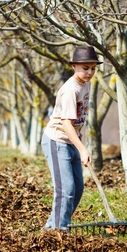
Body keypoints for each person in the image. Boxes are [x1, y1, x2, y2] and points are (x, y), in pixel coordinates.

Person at [41, 45, 102, 231]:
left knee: (77, 189)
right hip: (57, 140)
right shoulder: (70, 90)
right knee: (65, 190)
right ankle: (59, 232)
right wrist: (82, 148)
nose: (90, 72)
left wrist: (79, 140)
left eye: (93, 68)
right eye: (85, 68)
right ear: (74, 66)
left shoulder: (86, 84)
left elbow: (77, 118)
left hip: (72, 140)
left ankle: (52, 227)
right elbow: (66, 123)